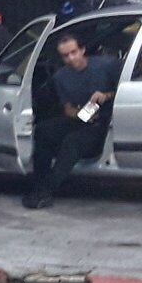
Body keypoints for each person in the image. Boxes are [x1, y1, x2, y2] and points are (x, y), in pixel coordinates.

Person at [23, 33, 119, 210]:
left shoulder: (105, 66)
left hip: (106, 121)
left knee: (72, 142)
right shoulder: (61, 77)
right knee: (44, 131)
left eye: (73, 52)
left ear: (82, 50)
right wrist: (82, 115)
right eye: (65, 55)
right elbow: (67, 109)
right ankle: (38, 183)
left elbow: (126, 89)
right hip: (83, 117)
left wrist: (105, 96)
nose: (71, 58)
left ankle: (47, 189)